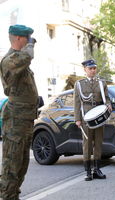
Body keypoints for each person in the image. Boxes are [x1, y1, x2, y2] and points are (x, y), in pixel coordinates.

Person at [0, 24, 39, 200]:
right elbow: (28, 55)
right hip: (15, 120)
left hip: (25, 119)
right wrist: (31, 45)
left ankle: (13, 195)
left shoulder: (20, 60)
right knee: (11, 166)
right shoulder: (10, 60)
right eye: (26, 38)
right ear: (18, 38)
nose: (29, 42)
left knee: (22, 164)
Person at [74, 59, 111, 181]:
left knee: (99, 143)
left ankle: (97, 169)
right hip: (86, 117)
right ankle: (88, 171)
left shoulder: (101, 83)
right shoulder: (79, 84)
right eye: (90, 68)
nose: (93, 70)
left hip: (99, 116)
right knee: (87, 145)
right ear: (85, 69)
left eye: (94, 68)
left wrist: (109, 104)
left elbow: (106, 97)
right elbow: (77, 103)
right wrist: (77, 119)